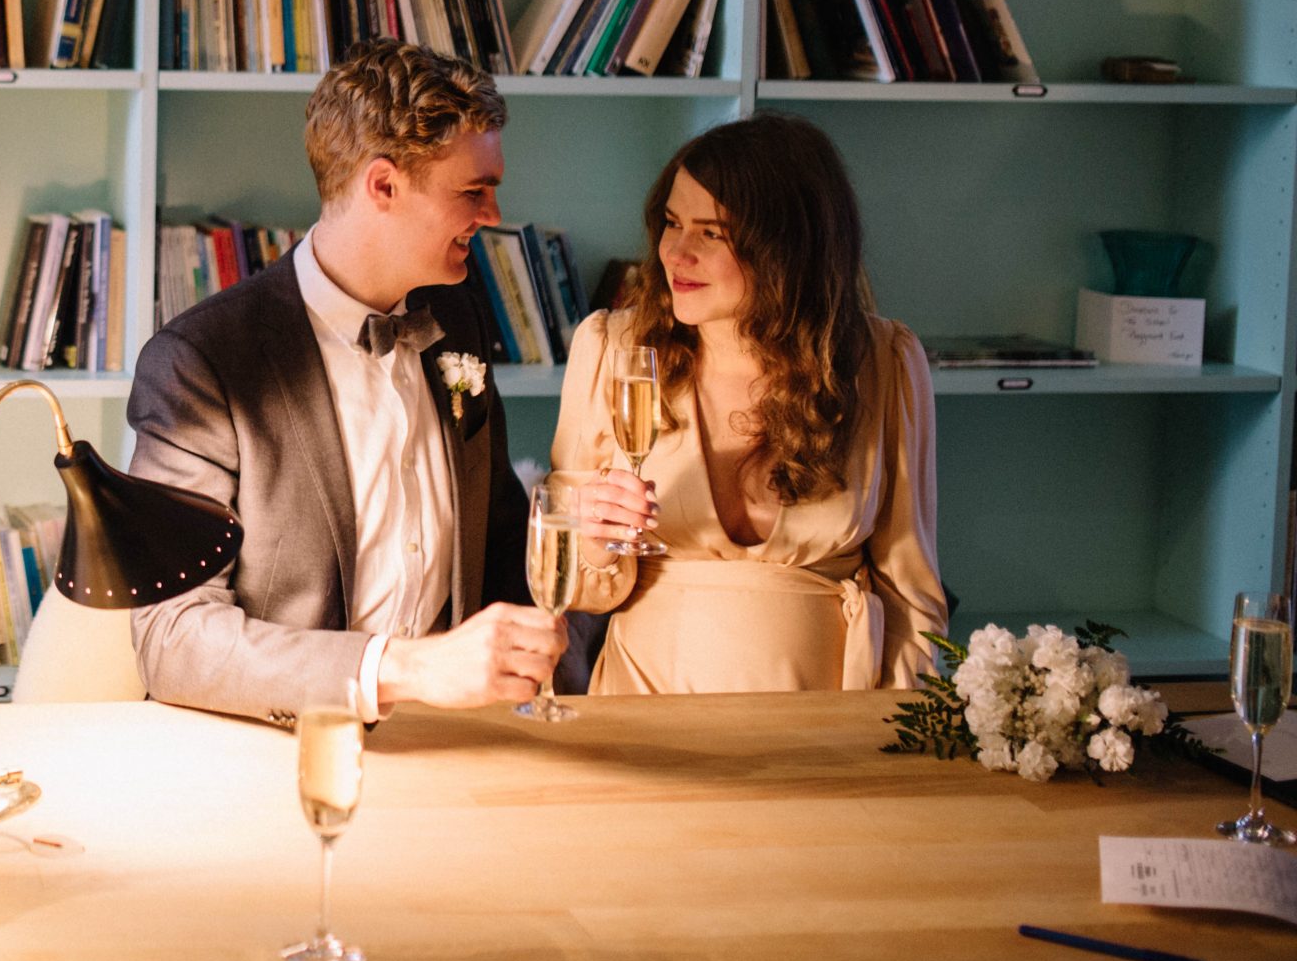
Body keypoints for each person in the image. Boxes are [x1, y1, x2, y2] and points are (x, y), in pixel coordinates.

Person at [128, 40, 561, 725]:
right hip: (265, 753)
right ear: (383, 185)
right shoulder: (202, 363)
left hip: (446, 749)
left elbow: (499, 542)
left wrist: (579, 551)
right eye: (473, 190)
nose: (492, 213)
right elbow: (172, 636)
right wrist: (400, 669)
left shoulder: (459, 317)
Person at [557, 114, 946, 692]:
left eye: (710, 233)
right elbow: (572, 585)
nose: (675, 254)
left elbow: (912, 597)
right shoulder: (612, 351)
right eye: (671, 223)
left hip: (825, 719)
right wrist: (592, 538)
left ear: (786, 249)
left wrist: (901, 742)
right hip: (644, 707)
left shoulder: (883, 362)